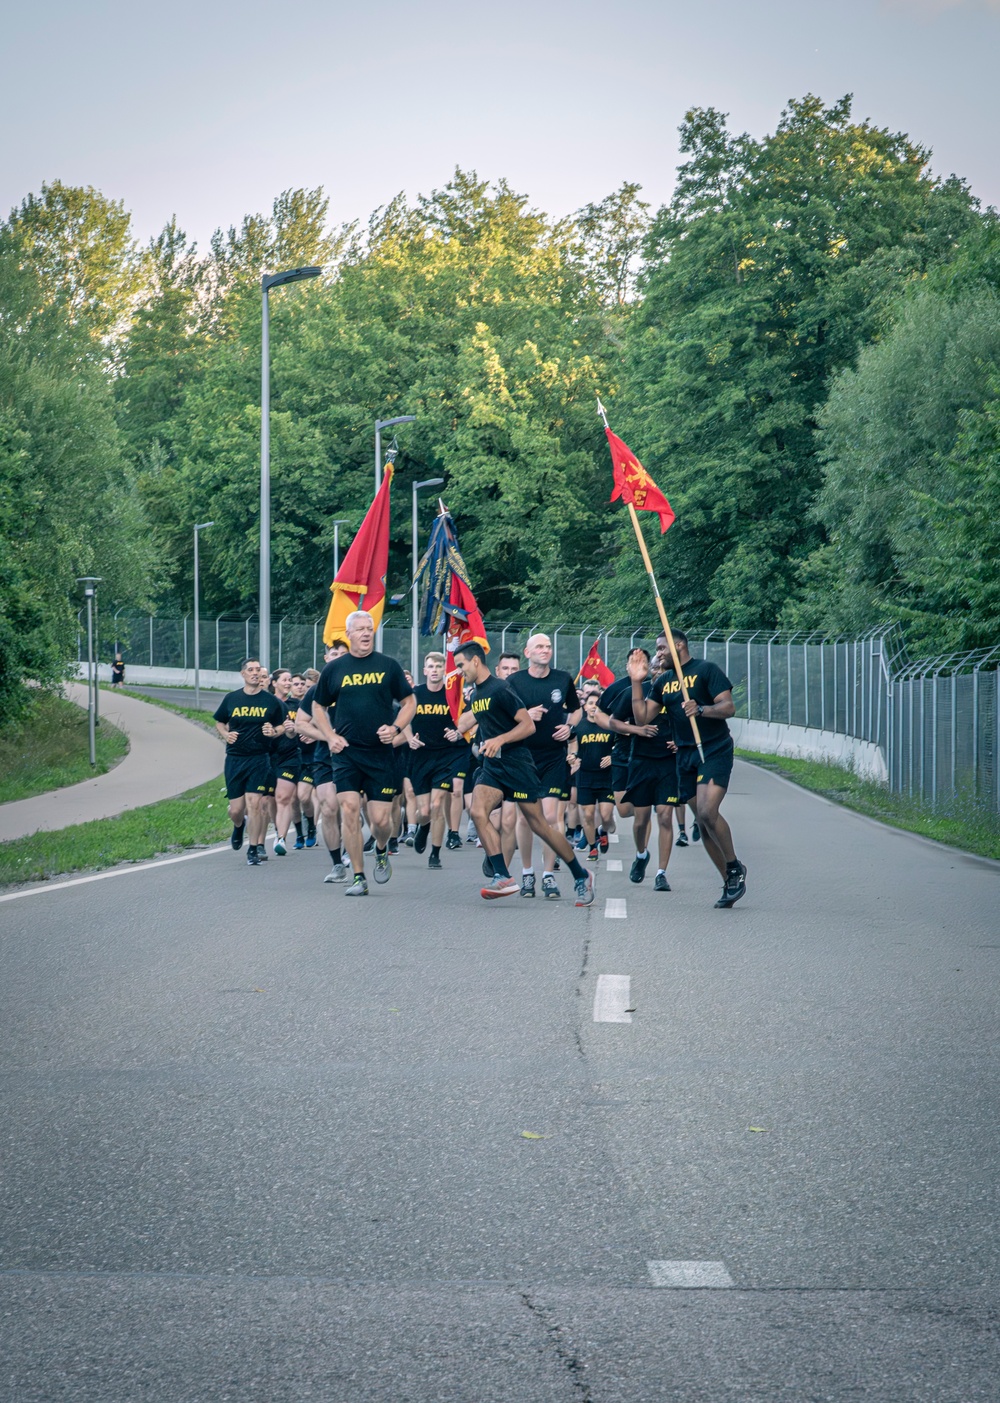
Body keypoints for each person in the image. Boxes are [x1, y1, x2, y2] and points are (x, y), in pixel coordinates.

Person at [453, 642, 594, 906]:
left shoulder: (501, 689)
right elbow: (471, 724)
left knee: (539, 825)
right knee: (478, 811)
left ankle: (581, 874)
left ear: (475, 661)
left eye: (461, 665)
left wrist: (500, 740)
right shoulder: (476, 694)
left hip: (518, 764)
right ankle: (503, 876)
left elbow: (528, 726)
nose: (459, 671)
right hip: (494, 765)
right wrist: (484, 741)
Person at [632, 630, 747, 908]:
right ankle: (729, 882)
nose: (657, 654)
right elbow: (642, 717)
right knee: (703, 823)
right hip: (685, 755)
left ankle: (734, 867)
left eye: (661, 648)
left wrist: (702, 710)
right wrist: (638, 682)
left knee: (708, 811)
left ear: (678, 645)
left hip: (713, 748)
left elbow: (728, 707)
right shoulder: (663, 682)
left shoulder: (706, 670)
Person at [312, 611, 416, 895]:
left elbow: (409, 701)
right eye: (360, 629)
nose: (366, 633)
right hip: (346, 753)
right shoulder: (335, 670)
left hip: (380, 754)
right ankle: (359, 876)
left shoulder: (388, 666)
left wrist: (395, 728)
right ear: (349, 634)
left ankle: (381, 848)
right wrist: (330, 736)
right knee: (348, 809)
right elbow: (317, 707)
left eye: (369, 628)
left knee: (382, 821)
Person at [508, 633, 581, 899]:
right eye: (539, 646)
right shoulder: (514, 682)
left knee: (550, 817)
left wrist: (570, 727)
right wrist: (527, 716)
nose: (545, 650)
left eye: (548, 646)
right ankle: (528, 874)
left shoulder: (562, 678)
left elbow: (576, 709)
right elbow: (504, 716)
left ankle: (548, 875)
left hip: (553, 756)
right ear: (527, 653)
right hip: (523, 756)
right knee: (525, 819)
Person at [616, 650, 679, 892]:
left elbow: (689, 722)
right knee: (640, 820)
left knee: (664, 815)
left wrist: (681, 741)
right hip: (641, 760)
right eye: (655, 670)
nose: (659, 674)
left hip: (668, 762)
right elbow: (613, 721)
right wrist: (637, 731)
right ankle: (641, 854)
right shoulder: (636, 692)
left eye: (663, 671)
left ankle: (662, 873)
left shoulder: (676, 694)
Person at [214, 659, 285, 866]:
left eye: (257, 670)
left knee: (255, 803)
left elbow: (283, 726)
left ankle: (253, 849)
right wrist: (226, 735)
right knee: (236, 810)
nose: (254, 673)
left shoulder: (271, 701)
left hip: (259, 758)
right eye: (250, 670)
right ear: (243, 674)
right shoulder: (232, 698)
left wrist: (273, 732)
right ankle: (238, 826)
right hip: (235, 758)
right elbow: (219, 721)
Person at [406, 652, 465, 868]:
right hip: (420, 757)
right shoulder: (414, 694)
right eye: (430, 666)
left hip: (444, 756)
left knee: (438, 803)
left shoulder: (451, 695)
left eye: (438, 667)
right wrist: (409, 738)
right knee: (425, 811)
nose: (434, 670)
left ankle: (436, 853)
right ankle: (423, 827)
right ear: (424, 670)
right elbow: (403, 721)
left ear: (444, 671)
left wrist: (458, 732)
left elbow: (467, 718)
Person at [297, 644, 349, 881]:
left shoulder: (358, 687)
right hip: (324, 757)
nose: (338, 658)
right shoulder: (317, 690)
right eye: (334, 654)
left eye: (343, 655)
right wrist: (328, 736)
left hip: (354, 757)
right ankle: (337, 863)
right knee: (328, 809)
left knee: (350, 809)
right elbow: (301, 723)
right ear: (326, 658)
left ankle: (358, 850)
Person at [569, 692, 615, 861]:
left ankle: (603, 831)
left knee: (606, 815)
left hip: (606, 777)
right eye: (590, 703)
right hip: (585, 776)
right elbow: (572, 747)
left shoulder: (610, 725)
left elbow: (621, 747)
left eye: (597, 703)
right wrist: (572, 757)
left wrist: (612, 757)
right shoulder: (579, 727)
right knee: (587, 815)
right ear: (585, 706)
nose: (593, 706)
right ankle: (592, 847)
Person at [269, 668, 302, 856]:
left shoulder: (296, 705)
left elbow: (302, 726)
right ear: (274, 683)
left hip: (290, 755)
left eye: (290, 680)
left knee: (283, 797)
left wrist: (293, 729)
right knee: (270, 800)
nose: (288, 683)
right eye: (285, 680)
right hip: (268, 755)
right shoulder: (267, 703)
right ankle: (277, 828)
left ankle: (281, 838)